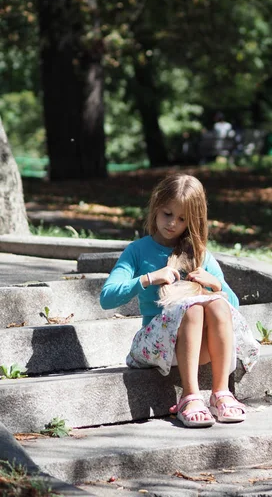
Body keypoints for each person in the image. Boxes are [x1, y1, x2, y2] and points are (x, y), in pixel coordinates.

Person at [100, 173, 259, 428]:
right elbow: (107, 298)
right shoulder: (138, 250)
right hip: (153, 345)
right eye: (167, 214)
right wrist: (148, 278)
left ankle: (221, 394)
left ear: (192, 221)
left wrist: (216, 285)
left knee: (217, 303)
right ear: (155, 209)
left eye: (182, 218)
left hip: (198, 348)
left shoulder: (199, 254)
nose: (172, 223)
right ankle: (190, 396)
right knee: (193, 308)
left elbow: (232, 309)